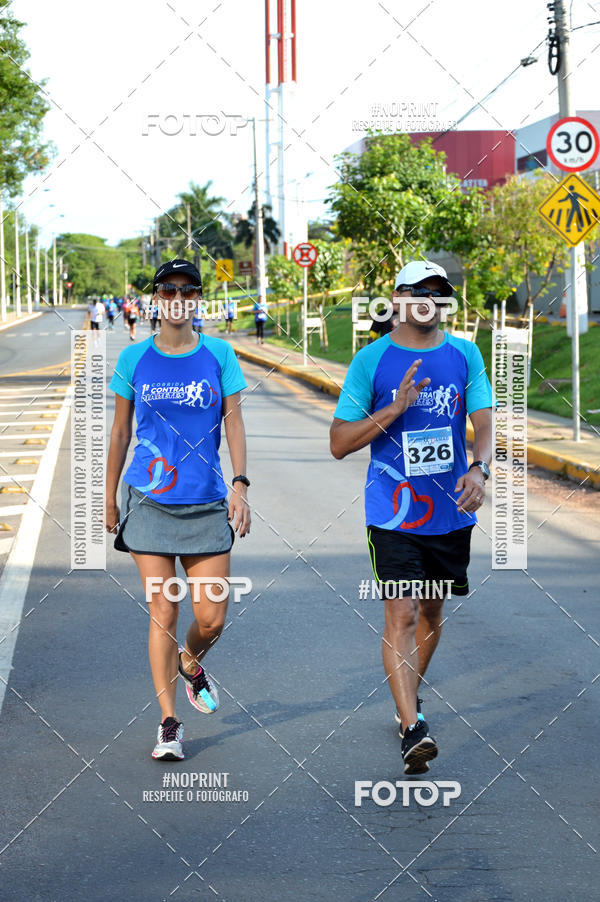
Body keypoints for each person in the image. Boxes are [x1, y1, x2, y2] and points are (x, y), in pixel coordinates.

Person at [330, 260, 493, 775]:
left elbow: (484, 420)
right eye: (417, 291)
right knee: (399, 615)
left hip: (451, 512)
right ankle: (411, 727)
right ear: (396, 298)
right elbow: (338, 443)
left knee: (430, 613)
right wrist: (395, 409)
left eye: (438, 292)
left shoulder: (465, 353)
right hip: (393, 511)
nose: (428, 299)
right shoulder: (371, 360)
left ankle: (408, 695)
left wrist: (479, 468)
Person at [105, 258, 251, 761]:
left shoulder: (220, 354)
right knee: (163, 607)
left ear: (197, 301)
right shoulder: (133, 359)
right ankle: (169, 722)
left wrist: (239, 484)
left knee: (211, 618)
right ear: (155, 299)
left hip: (207, 502)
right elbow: (122, 431)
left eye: (189, 291)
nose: (178, 298)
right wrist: (108, 494)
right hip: (147, 499)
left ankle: (191, 662)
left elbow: (233, 421)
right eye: (168, 289)